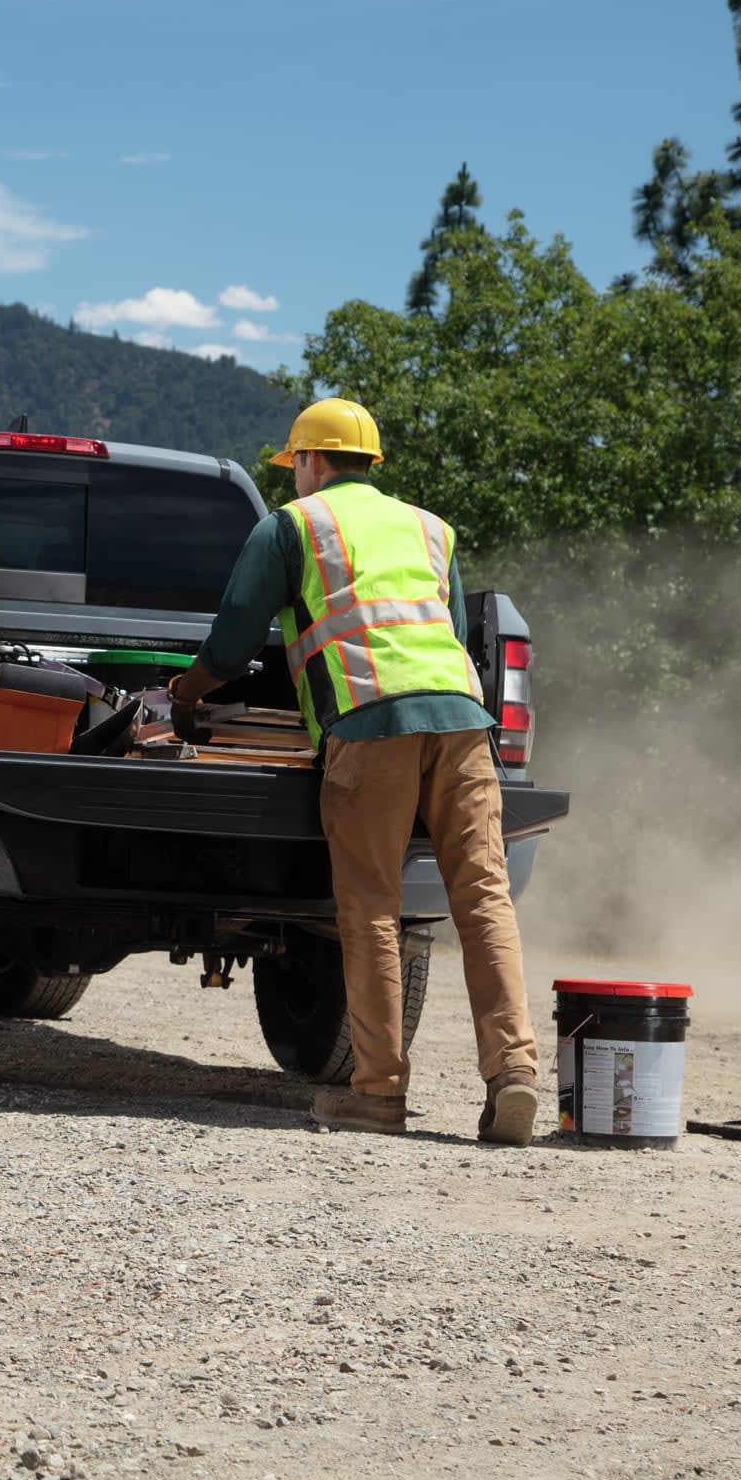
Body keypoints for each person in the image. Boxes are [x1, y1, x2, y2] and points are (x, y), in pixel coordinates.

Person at [166, 397, 537, 1144]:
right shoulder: (432, 529)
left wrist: (184, 695)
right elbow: (454, 635)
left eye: (294, 464)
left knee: (371, 907)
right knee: (484, 898)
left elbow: (233, 642)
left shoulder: (292, 525)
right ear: (371, 464)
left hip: (371, 726)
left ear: (309, 460)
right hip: (464, 724)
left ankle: (377, 1092)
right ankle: (514, 1073)